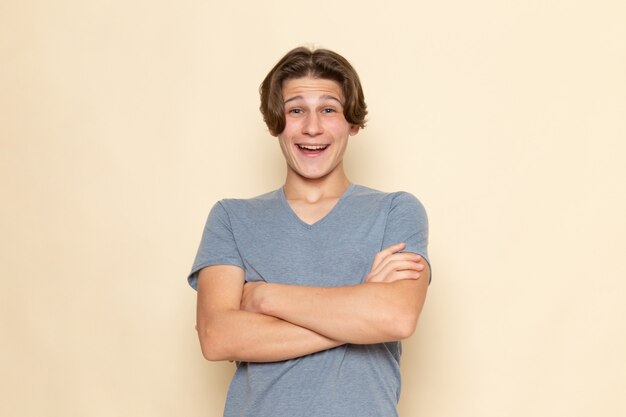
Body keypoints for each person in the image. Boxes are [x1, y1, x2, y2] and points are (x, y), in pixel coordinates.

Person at [188, 46, 431, 417]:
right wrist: (361, 314)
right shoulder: (231, 218)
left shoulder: (395, 211)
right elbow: (216, 337)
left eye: (329, 109)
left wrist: (265, 298)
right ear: (275, 122)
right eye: (296, 110)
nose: (312, 127)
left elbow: (396, 318)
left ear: (353, 122)